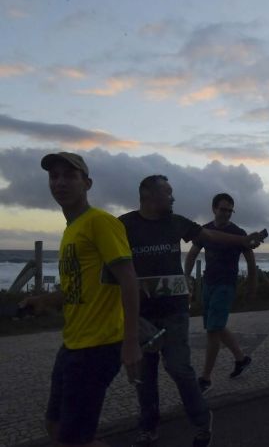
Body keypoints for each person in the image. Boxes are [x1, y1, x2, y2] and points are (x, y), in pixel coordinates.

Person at [119, 175, 264, 447]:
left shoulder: (177, 222)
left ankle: (201, 422)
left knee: (179, 368)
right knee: (145, 376)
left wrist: (244, 240)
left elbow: (209, 236)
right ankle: (148, 428)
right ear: (149, 195)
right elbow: (112, 267)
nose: (173, 198)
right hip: (141, 315)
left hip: (174, 311)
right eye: (168, 192)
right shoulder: (124, 225)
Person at [19, 152, 141, 447]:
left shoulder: (100, 222)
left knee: (72, 438)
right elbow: (77, 287)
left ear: (87, 183)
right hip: (73, 342)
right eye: (54, 176)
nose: (59, 182)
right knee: (56, 425)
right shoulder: (71, 230)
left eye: (69, 176)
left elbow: (129, 279)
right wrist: (46, 301)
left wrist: (131, 343)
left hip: (98, 347)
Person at [183, 193, 257, 396]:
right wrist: (185, 277)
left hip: (226, 285)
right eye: (223, 209)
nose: (226, 213)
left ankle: (205, 379)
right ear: (214, 208)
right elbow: (192, 254)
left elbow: (250, 260)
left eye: (229, 210)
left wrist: (252, 284)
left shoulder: (239, 233)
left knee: (213, 331)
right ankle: (241, 359)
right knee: (215, 326)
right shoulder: (204, 231)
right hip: (208, 283)